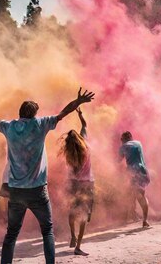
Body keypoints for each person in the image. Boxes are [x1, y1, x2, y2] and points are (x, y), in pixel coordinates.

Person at [0, 87, 95, 264]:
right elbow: (64, 112)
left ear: (20, 113)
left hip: (16, 191)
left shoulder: (9, 127)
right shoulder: (40, 124)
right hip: (38, 190)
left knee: (11, 234)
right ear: (34, 114)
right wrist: (78, 102)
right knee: (47, 230)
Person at [59, 108, 94, 256]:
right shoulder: (85, 143)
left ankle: (72, 236)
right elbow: (85, 125)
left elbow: (72, 173)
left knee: (72, 211)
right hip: (86, 184)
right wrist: (80, 115)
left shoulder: (69, 154)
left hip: (73, 184)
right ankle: (78, 246)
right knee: (84, 215)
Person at [118, 131, 151, 227]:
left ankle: (131, 216)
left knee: (136, 195)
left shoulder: (123, 146)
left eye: (121, 139)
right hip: (143, 171)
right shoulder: (138, 143)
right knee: (139, 195)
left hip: (133, 173)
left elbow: (118, 160)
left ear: (123, 139)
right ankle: (142, 218)